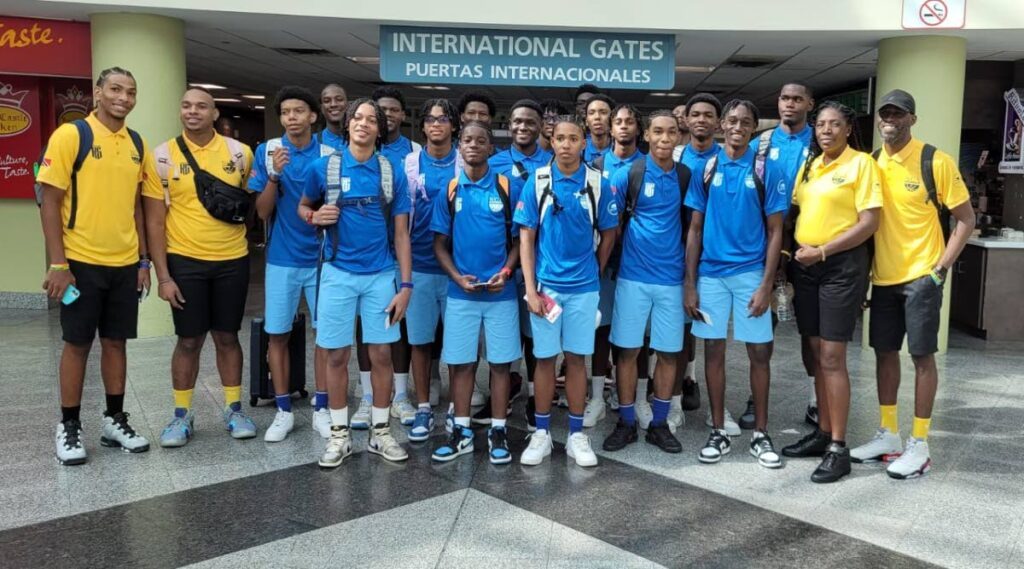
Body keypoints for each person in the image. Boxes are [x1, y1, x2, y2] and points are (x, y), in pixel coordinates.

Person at [851, 89, 975, 479]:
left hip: (922, 276)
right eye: (885, 113)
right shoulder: (870, 163)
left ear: (912, 120)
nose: (891, 120)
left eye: (899, 114)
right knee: (884, 353)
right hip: (883, 279)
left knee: (922, 357)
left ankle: (919, 443)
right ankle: (889, 434)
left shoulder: (934, 160)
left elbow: (966, 220)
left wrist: (939, 269)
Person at [38, 66, 152, 465]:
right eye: (116, 89)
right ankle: (69, 425)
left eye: (131, 92)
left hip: (123, 264)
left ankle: (114, 419)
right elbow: (48, 199)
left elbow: (138, 205)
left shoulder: (136, 142)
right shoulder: (72, 135)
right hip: (80, 262)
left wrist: (142, 260)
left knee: (116, 342)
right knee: (77, 343)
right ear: (97, 92)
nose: (124, 97)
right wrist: (58, 263)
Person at [299, 98, 413, 468]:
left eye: (371, 120)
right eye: (357, 118)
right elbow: (303, 207)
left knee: (381, 354)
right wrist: (315, 215)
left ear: (381, 129)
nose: (363, 124)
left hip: (381, 275)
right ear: (347, 125)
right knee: (336, 354)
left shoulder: (390, 170)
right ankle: (339, 435)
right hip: (336, 274)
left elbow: (401, 234)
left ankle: (380, 432)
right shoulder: (324, 167)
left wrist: (406, 286)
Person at [143, 87, 256, 448]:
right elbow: (155, 222)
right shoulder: (162, 156)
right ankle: (181, 415)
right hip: (185, 261)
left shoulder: (239, 153)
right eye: (186, 105)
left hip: (232, 259)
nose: (192, 112)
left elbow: (248, 202)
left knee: (227, 336)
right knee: (189, 340)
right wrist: (163, 276)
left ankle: (234, 408)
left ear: (214, 114)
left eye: (201, 106)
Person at [780, 101, 882, 483]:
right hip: (806, 268)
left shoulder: (861, 164)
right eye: (821, 124)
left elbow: (870, 221)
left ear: (847, 129)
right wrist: (793, 255)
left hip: (841, 266)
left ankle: (839, 447)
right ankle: (822, 433)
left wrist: (823, 250)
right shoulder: (810, 166)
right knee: (813, 350)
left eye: (834, 124)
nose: (825, 130)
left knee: (832, 355)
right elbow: (796, 214)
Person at [683, 100, 787, 468]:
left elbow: (776, 232)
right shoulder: (707, 167)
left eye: (746, 122)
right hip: (710, 276)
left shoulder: (766, 168)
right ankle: (718, 430)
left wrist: (765, 285)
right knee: (713, 351)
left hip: (750, 275)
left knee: (759, 352)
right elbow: (694, 228)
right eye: (732, 121)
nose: (738, 126)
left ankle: (760, 433)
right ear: (722, 126)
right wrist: (690, 283)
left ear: (754, 127)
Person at [514, 117, 618, 467]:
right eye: (560, 138)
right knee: (544, 360)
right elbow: (526, 237)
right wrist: (530, 288)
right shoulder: (538, 181)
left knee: (576, 360)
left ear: (583, 142)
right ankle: (541, 433)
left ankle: (576, 434)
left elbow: (609, 233)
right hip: (546, 290)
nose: (566, 144)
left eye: (574, 138)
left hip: (585, 290)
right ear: (552, 141)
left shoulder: (597, 183)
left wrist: (596, 271)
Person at [430, 121, 522, 464]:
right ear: (459, 145)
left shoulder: (506, 187)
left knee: (499, 365)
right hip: (462, 295)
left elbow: (518, 241)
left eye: (480, 140)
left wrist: (506, 271)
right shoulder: (451, 189)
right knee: (461, 364)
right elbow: (439, 244)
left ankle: (499, 430)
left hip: (501, 295)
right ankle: (461, 431)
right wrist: (456, 277)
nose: (472, 145)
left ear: (489, 148)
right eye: (467, 139)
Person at [249, 86, 335, 442]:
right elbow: (261, 212)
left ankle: (323, 408)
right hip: (282, 258)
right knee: (277, 334)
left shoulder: (331, 153)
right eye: (285, 112)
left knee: (326, 336)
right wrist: (273, 176)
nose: (292, 118)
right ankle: (283, 409)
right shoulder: (268, 151)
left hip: (322, 260)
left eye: (299, 111)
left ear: (313, 116)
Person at [603, 110, 688, 454]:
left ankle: (659, 424)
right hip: (632, 278)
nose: (665, 138)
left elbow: (692, 227)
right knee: (627, 352)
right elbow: (611, 224)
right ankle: (625, 422)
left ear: (678, 137)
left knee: (668, 353)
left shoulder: (686, 175)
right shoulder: (629, 174)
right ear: (647, 136)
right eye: (658, 132)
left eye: (671, 132)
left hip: (671, 279)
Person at [737, 83, 817, 432]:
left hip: (812, 244)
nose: (790, 104)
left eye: (797, 99)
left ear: (809, 105)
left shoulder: (820, 140)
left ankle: (817, 400)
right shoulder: (762, 143)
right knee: (761, 328)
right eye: (785, 98)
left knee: (812, 331)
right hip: (770, 244)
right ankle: (758, 397)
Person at [478, 99, 552, 426]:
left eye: (530, 122)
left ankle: (538, 397)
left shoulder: (552, 163)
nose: (523, 127)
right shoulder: (493, 163)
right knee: (506, 334)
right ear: (509, 125)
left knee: (536, 334)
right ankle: (505, 392)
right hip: (503, 262)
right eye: (517, 122)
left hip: (540, 264)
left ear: (540, 127)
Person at [403, 98, 463, 441]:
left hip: (455, 269)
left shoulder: (463, 161)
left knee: (457, 344)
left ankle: (457, 407)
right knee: (420, 342)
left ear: (453, 125)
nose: (436, 124)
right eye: (430, 119)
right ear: (423, 127)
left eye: (443, 119)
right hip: (420, 266)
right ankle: (423, 406)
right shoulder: (409, 164)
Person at [588, 103, 645, 429]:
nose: (623, 126)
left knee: (638, 337)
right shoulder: (596, 165)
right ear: (610, 129)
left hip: (639, 264)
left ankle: (637, 399)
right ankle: (597, 397)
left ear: (638, 128)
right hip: (605, 262)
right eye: (618, 122)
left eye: (629, 121)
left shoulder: (649, 165)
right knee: (602, 330)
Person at [676, 93, 723, 422]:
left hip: (716, 258)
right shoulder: (676, 155)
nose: (702, 120)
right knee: (680, 328)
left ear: (717, 123)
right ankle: (681, 384)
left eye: (709, 115)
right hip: (675, 252)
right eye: (696, 114)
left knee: (711, 332)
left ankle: (709, 394)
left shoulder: (727, 157)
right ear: (687, 120)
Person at [372, 86, 420, 166]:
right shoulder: (361, 145)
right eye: (383, 109)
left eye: (394, 110)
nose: (388, 114)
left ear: (403, 115)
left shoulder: (414, 149)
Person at [583, 94, 615, 166]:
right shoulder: (578, 149)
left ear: (612, 118)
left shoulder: (620, 149)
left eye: (603, 112)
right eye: (591, 113)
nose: (597, 117)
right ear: (586, 121)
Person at [318, 83, 348, 150]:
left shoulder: (362, 139)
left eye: (339, 99)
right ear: (322, 108)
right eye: (327, 101)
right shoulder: (311, 142)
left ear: (347, 104)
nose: (333, 104)